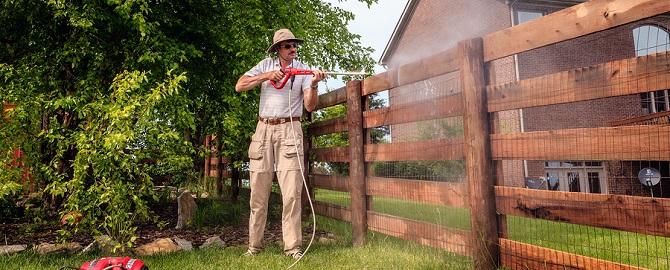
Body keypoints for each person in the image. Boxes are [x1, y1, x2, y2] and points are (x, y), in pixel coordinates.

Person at [235, 28, 325, 259]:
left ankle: (292, 247)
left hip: (290, 129)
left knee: (292, 194)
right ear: (278, 49)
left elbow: (310, 106)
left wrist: (314, 84)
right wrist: (266, 76)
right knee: (258, 194)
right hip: (263, 130)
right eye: (287, 45)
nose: (293, 48)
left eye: (294, 44)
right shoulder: (265, 65)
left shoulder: (304, 71)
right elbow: (240, 85)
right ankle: (254, 247)